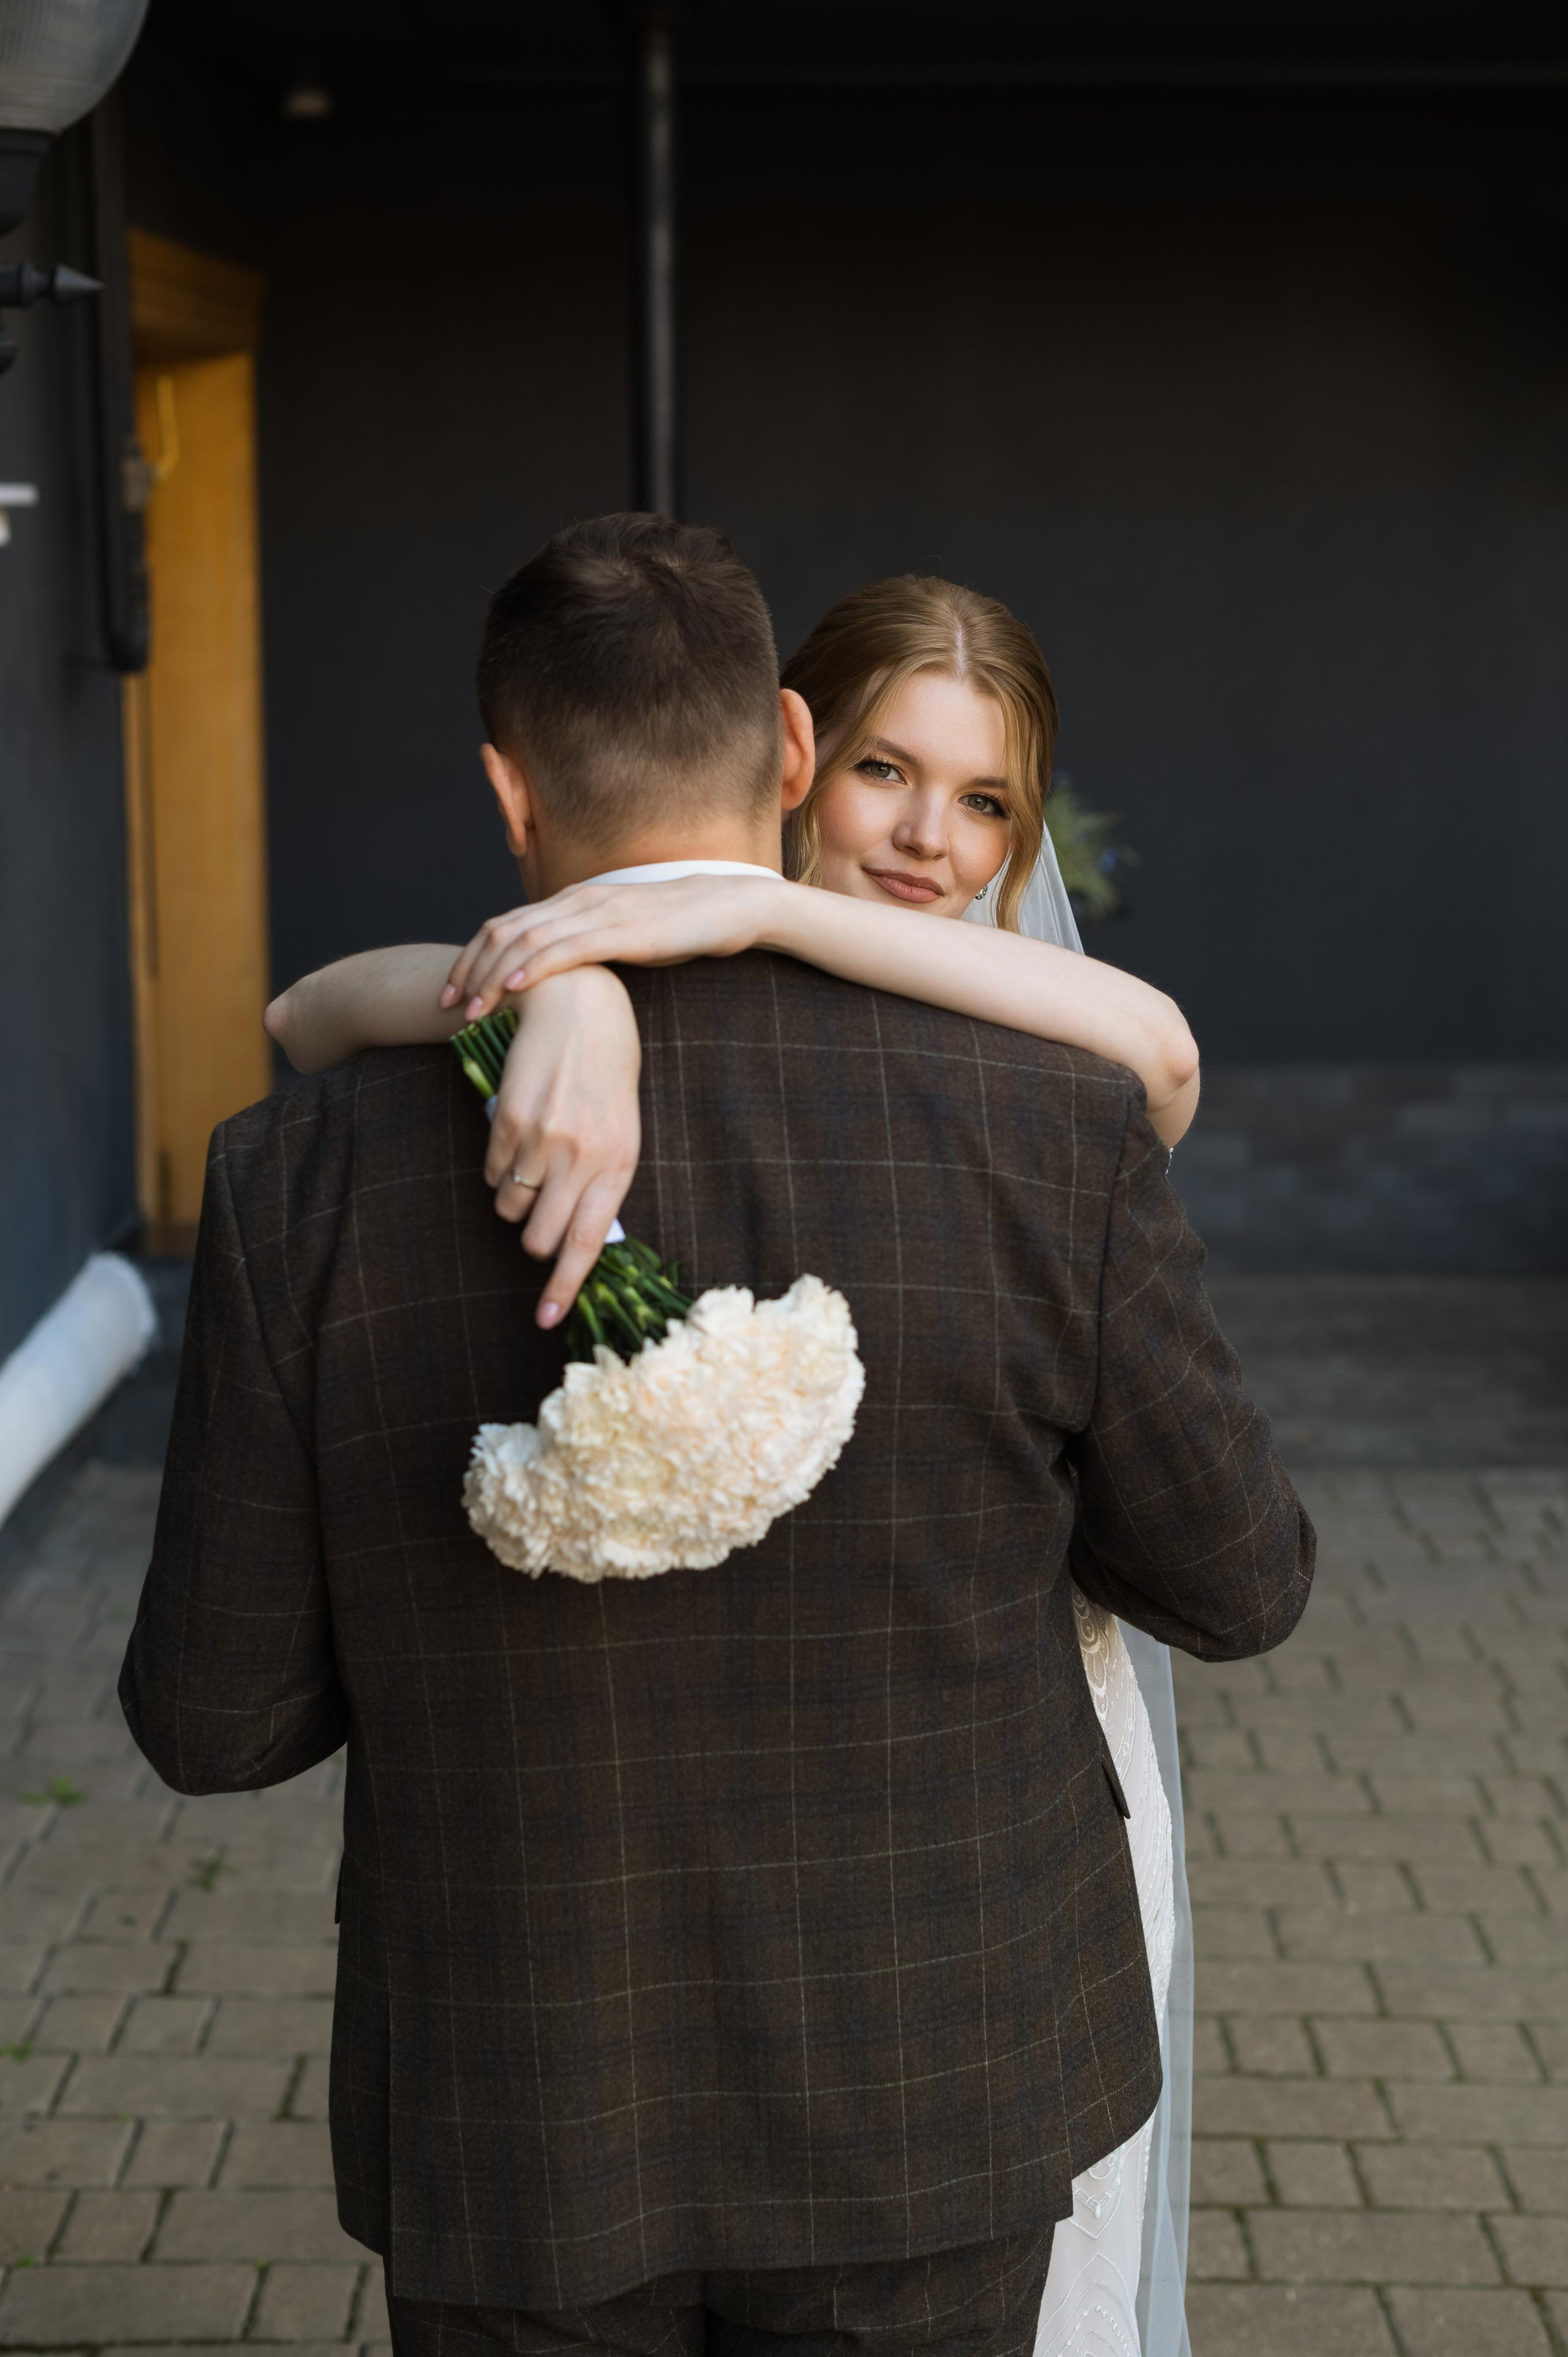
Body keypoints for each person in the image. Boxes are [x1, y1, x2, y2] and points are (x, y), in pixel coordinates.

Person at [123, 514, 1313, 2357]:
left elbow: (215, 1722)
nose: (927, 831)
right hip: (936, 2084)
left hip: (524, 2107)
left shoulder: (300, 1176)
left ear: (511, 792)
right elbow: (1239, 1586)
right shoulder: (1047, 1134)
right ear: (789, 751)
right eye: (890, 775)